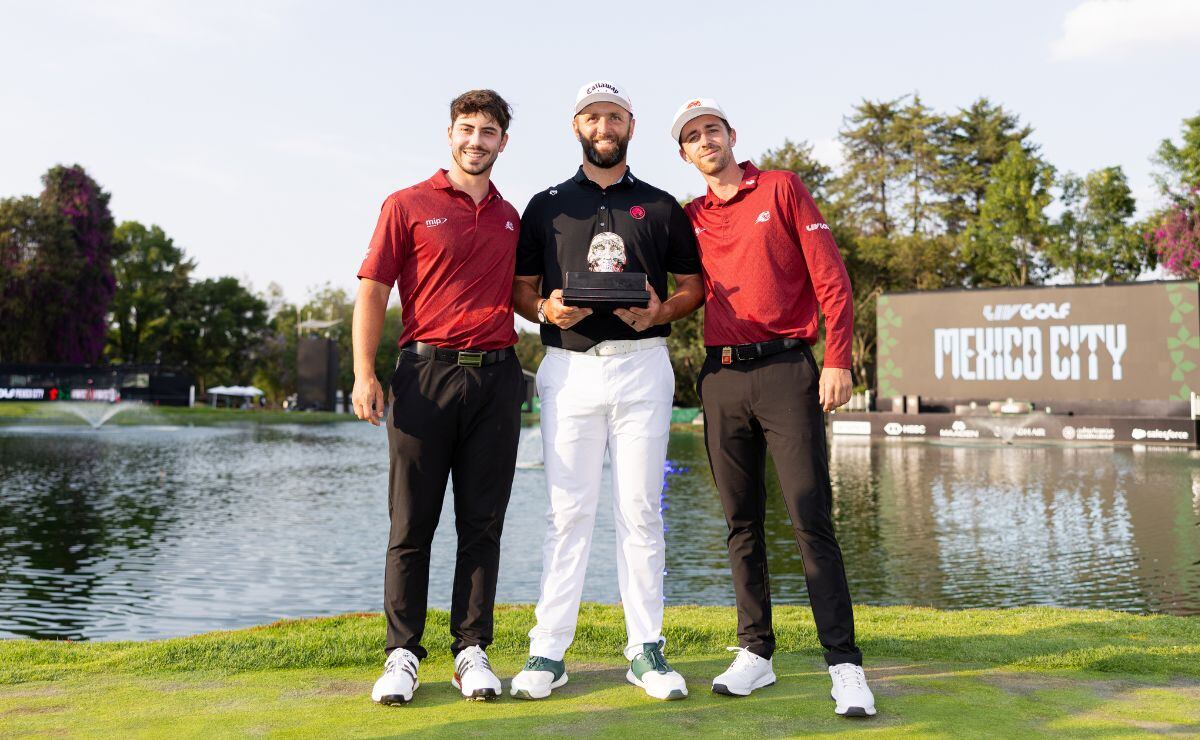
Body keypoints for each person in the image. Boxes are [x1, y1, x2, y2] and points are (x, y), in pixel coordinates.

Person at [672, 97, 876, 717]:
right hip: (722, 378)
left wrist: (838, 358)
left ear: (732, 135)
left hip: (788, 369)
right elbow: (670, 290)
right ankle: (755, 652)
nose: (705, 141)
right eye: (692, 137)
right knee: (740, 522)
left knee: (810, 515)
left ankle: (843, 664)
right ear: (684, 153)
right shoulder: (688, 217)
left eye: (712, 129)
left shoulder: (782, 188)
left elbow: (831, 278)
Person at [508, 80, 704, 701]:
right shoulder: (546, 204)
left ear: (630, 126)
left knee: (641, 512)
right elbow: (520, 288)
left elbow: (694, 286)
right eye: (592, 117)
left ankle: (645, 649)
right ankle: (548, 651)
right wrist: (545, 309)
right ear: (576, 126)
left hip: (643, 365)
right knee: (567, 515)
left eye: (613, 116)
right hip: (568, 367)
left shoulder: (661, 203)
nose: (603, 126)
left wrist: (661, 312)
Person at [351, 89, 525, 705]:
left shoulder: (512, 216)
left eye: (489, 132)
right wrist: (363, 373)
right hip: (423, 376)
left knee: (483, 524)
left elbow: (525, 296)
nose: (476, 141)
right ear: (449, 134)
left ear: (505, 141)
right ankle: (402, 654)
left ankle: (471, 650)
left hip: (499, 379)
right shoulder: (406, 204)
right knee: (411, 523)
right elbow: (372, 289)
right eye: (467, 129)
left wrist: (559, 307)